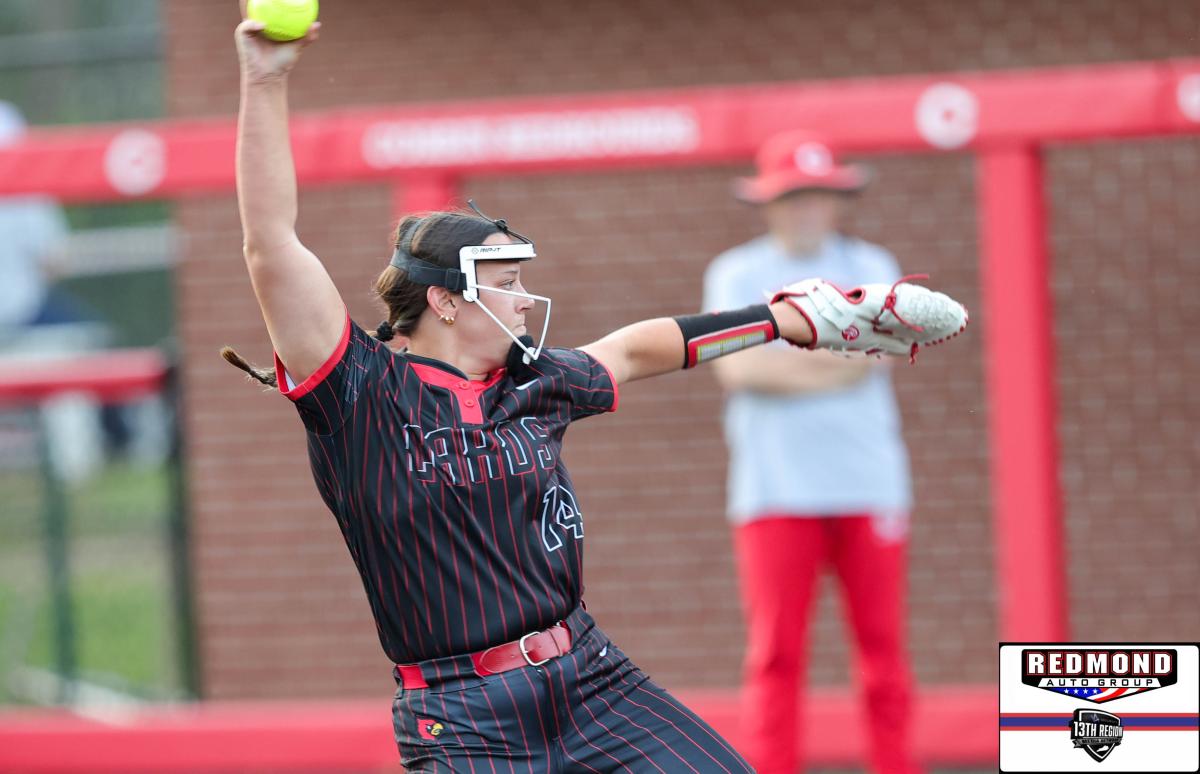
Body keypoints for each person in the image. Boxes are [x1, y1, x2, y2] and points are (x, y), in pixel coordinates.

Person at [225, 9, 966, 771]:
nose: (524, 299)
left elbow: (638, 348)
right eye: (507, 282)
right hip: (463, 714)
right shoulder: (361, 392)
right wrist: (265, 79)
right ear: (444, 300)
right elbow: (270, 244)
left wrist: (792, 318)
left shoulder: (532, 380)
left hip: (591, 680)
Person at [703, 131, 941, 774]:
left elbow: (883, 352)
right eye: (792, 197)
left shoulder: (873, 264)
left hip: (869, 484)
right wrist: (839, 357)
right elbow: (737, 370)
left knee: (882, 649)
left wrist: (783, 359)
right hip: (773, 490)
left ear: (838, 200)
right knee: (776, 654)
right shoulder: (735, 273)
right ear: (767, 204)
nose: (805, 209)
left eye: (817, 195)